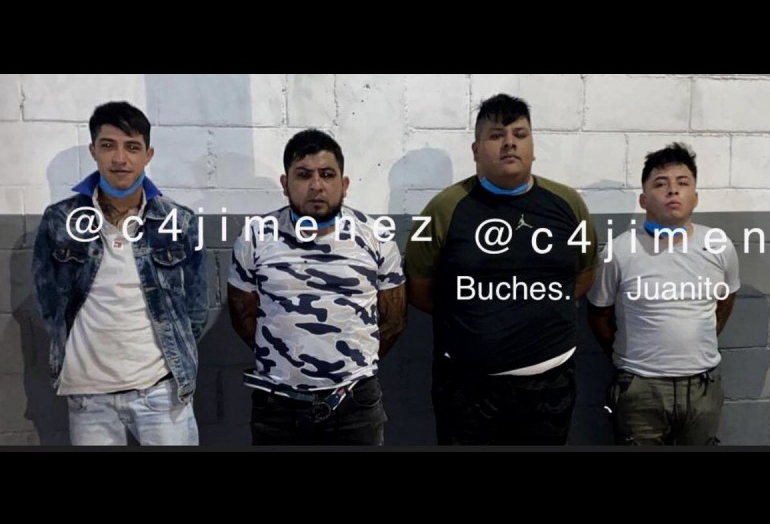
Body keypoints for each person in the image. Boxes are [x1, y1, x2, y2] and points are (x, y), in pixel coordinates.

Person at [403, 93, 598, 445]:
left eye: (520, 134)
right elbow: (420, 291)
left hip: (550, 386)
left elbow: (582, 276)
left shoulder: (569, 204)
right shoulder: (443, 209)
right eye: (496, 135)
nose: (509, 143)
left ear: (533, 147)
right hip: (467, 390)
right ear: (476, 150)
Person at [32, 101, 208, 445]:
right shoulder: (59, 220)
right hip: (88, 395)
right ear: (93, 151)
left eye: (132, 147)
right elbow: (49, 303)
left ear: (148, 155)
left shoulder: (179, 221)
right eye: (108, 145)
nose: (120, 158)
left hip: (161, 392)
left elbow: (196, 309)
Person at [227, 129, 406, 445]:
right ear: (285, 184)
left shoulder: (376, 237)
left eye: (327, 174)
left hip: (355, 406)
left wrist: (354, 363)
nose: (316, 185)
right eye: (303, 175)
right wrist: (287, 358)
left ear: (344, 184)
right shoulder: (256, 237)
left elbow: (393, 321)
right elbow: (243, 318)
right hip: (277, 406)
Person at [587, 142, 739, 445]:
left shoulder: (719, 245)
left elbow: (725, 300)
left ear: (695, 196)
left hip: (702, 387)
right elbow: (599, 314)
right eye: (660, 183)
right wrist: (628, 358)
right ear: (643, 199)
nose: (673, 190)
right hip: (639, 388)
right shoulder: (619, 250)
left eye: (683, 183)